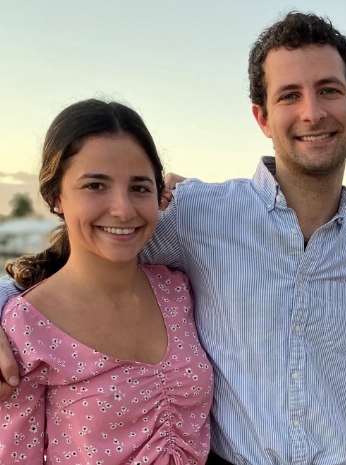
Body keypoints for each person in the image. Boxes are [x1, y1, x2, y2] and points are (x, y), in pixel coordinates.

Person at [0, 13, 346, 465]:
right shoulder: (197, 217)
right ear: (262, 117)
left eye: (329, 90)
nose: (312, 112)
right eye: (289, 95)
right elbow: (90, 259)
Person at [0, 99, 213, 464]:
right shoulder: (25, 327)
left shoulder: (178, 289)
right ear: (56, 197)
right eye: (96, 185)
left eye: (139, 188)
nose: (123, 209)